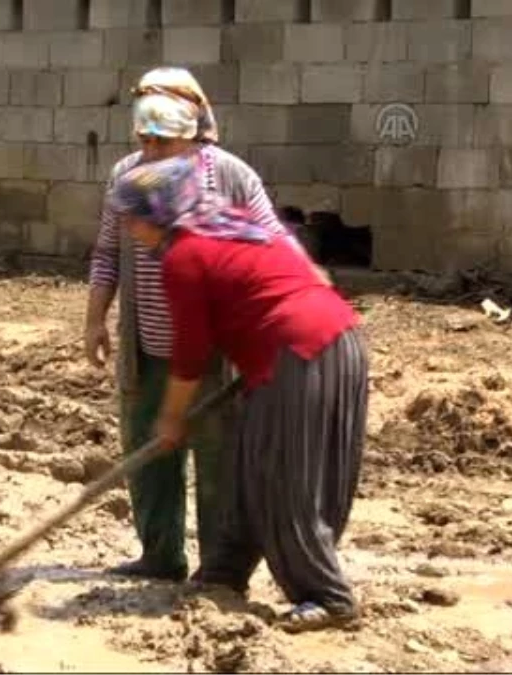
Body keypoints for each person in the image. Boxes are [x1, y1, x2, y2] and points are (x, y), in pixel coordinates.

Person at [109, 154, 369, 634]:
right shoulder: (235, 224)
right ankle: (226, 572)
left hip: (298, 351)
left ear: (157, 215)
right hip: (333, 339)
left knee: (282, 478)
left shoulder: (184, 257)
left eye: (131, 217)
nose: (127, 228)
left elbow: (190, 353)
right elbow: (315, 276)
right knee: (251, 465)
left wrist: (170, 418)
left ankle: (328, 596)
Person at [86, 67, 308, 583]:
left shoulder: (231, 176)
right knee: (148, 454)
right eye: (145, 137)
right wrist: (94, 319)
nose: (154, 148)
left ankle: (219, 568)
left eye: (164, 139)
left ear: (195, 129)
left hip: (215, 354)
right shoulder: (126, 176)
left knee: (219, 463)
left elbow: (278, 244)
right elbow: (106, 252)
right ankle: (159, 556)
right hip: (146, 347)